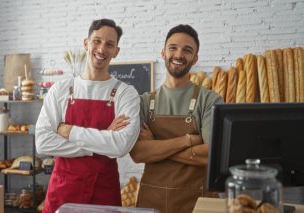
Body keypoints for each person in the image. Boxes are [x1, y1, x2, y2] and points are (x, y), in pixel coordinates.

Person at [35, 18, 140, 213]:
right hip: (63, 191)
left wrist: (69, 130)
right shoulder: (60, 90)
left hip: (104, 192)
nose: (102, 49)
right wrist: (102, 140)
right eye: (97, 41)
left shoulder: (126, 93)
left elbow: (120, 145)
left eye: (110, 44)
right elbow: (43, 143)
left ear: (116, 51)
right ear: (86, 43)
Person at [130, 24, 224, 213]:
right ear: (163, 52)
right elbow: (138, 153)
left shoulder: (209, 99)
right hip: (152, 202)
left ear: (195, 58)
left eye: (187, 50)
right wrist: (188, 140)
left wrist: (156, 145)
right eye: (173, 48)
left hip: (198, 203)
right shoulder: (144, 101)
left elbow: (211, 155)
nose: (179, 55)